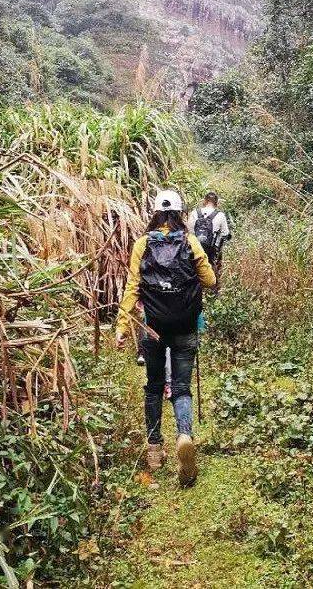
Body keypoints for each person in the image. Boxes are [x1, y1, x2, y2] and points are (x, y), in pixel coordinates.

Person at [116, 189, 215, 485]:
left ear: (155, 213)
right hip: (185, 326)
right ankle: (184, 435)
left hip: (152, 327)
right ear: (181, 213)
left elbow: (133, 287)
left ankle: (154, 449)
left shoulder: (143, 244)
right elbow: (210, 280)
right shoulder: (190, 241)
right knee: (182, 389)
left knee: (153, 387)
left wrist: (122, 325)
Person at [188, 191, 230, 281]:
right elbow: (225, 234)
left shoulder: (194, 212)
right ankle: (214, 284)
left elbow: (189, 231)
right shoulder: (220, 215)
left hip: (194, 248)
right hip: (211, 249)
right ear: (216, 203)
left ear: (204, 201)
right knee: (216, 263)